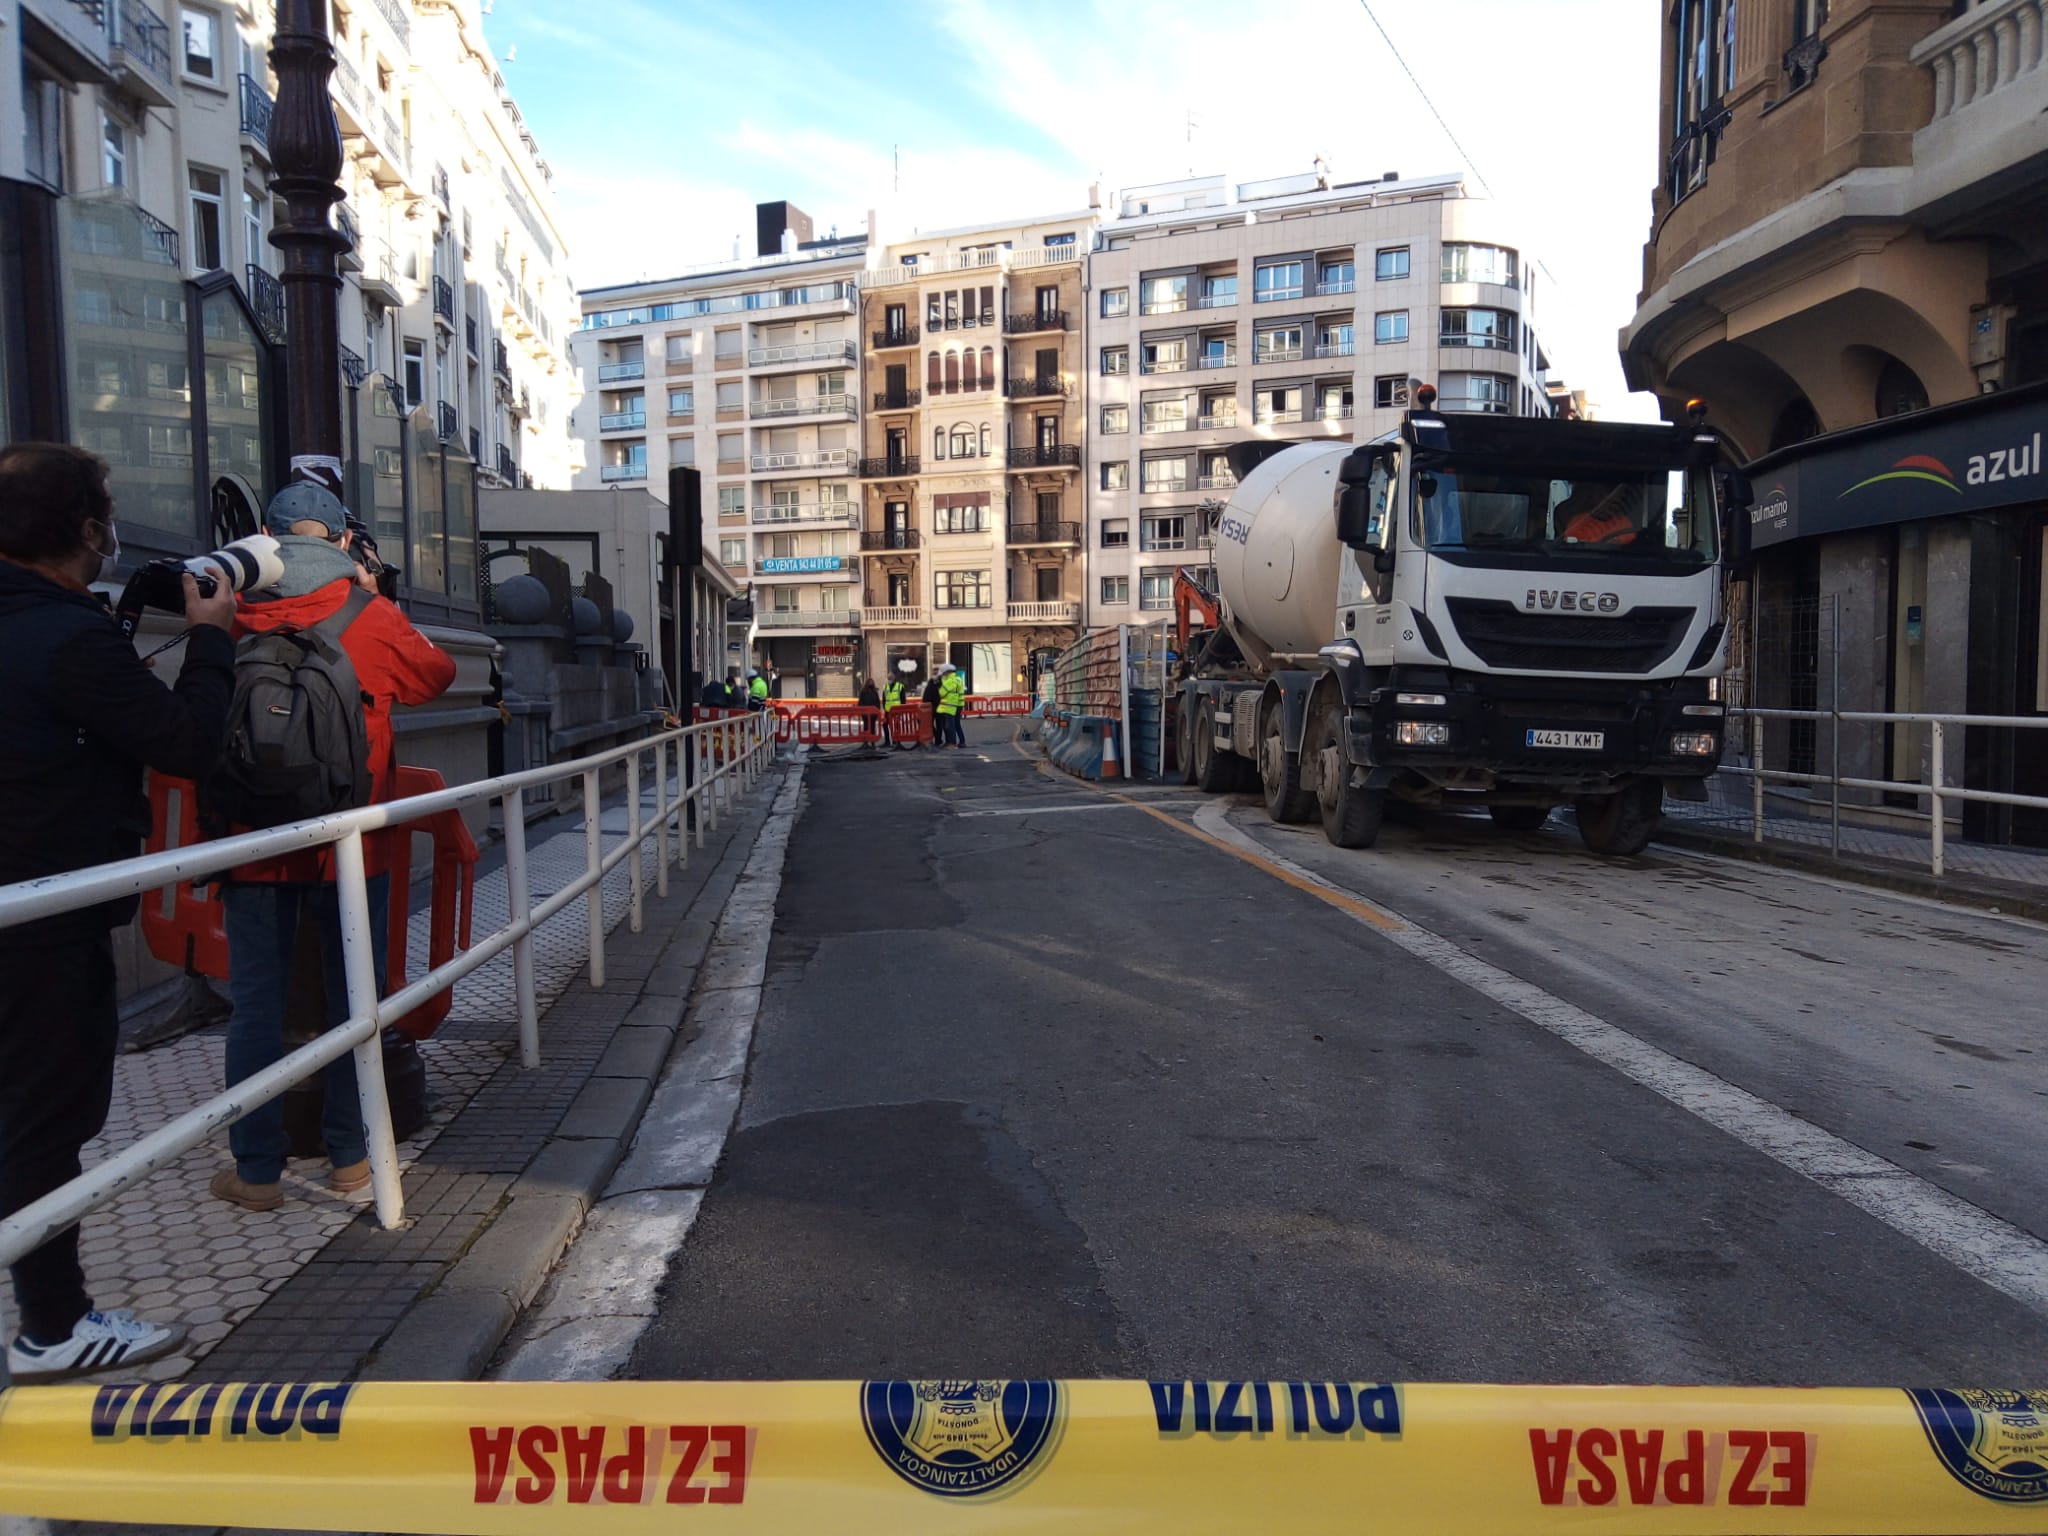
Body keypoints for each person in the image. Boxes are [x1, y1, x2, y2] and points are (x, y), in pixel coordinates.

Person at [0, 442, 237, 1379]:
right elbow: (187, 743)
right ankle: (54, 1331)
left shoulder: (41, 623)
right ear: (88, 530)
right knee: (44, 1122)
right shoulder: (67, 639)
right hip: (45, 916)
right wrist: (212, 636)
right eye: (106, 512)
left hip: (22, 906)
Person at [209, 483, 456, 1215]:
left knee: (255, 1007)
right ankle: (351, 1160)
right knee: (358, 1003)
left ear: (264, 538)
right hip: (353, 849)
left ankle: (257, 1171)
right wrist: (375, 595)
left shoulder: (230, 614)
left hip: (254, 845)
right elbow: (437, 677)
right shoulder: (370, 614)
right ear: (344, 541)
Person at [1562, 482, 1641, 546]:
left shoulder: (1625, 523)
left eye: (1616, 503)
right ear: (1597, 497)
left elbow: (1632, 547)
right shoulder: (1578, 522)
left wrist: (1618, 546)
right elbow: (1571, 548)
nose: (1612, 506)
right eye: (1608, 501)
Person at [936, 662, 968, 749]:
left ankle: (952, 743)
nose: (943, 675)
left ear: (947, 672)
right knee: (956, 724)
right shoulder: (958, 679)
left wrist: (941, 684)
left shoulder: (950, 681)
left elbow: (941, 692)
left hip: (951, 705)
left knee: (951, 725)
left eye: (944, 673)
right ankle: (962, 742)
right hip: (959, 704)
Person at [919, 670, 942, 750]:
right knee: (929, 724)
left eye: (935, 674)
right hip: (929, 707)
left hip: (939, 706)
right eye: (933, 674)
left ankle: (938, 740)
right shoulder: (930, 682)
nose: (934, 675)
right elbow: (926, 694)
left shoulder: (941, 683)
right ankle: (934, 738)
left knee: (940, 725)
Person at [883, 674, 906, 748]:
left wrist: (902, 708)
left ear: (894, 679)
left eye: (890, 678)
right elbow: (884, 698)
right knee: (885, 724)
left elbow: (903, 699)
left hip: (897, 709)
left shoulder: (899, 686)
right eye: (888, 678)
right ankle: (887, 741)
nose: (889, 680)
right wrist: (884, 707)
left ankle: (896, 741)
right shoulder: (885, 687)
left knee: (896, 726)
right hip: (888, 710)